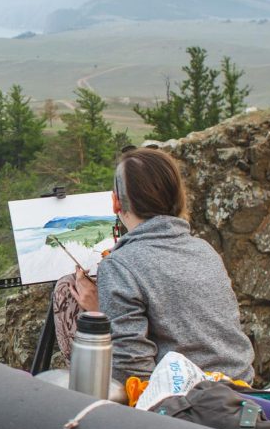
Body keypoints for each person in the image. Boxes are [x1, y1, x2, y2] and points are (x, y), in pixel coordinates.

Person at [56, 147, 255, 384]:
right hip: (241, 392)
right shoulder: (205, 250)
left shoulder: (121, 265)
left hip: (185, 404)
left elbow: (130, 374)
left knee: (64, 290)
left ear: (115, 203)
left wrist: (100, 315)